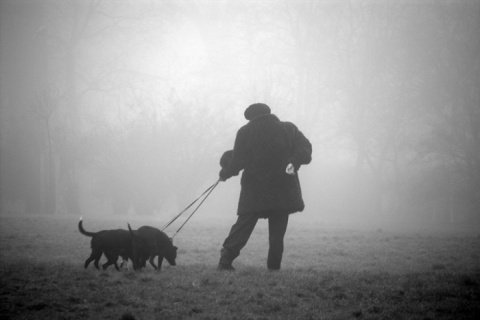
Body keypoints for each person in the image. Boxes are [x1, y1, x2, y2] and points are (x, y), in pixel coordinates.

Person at [217, 103, 312, 271]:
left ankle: (225, 261)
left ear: (251, 117)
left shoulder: (246, 132)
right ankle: (274, 267)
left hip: (255, 189)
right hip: (283, 187)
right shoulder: (288, 128)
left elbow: (238, 161)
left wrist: (225, 173)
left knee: (243, 226)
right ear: (268, 113)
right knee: (278, 231)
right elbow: (306, 149)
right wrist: (293, 163)